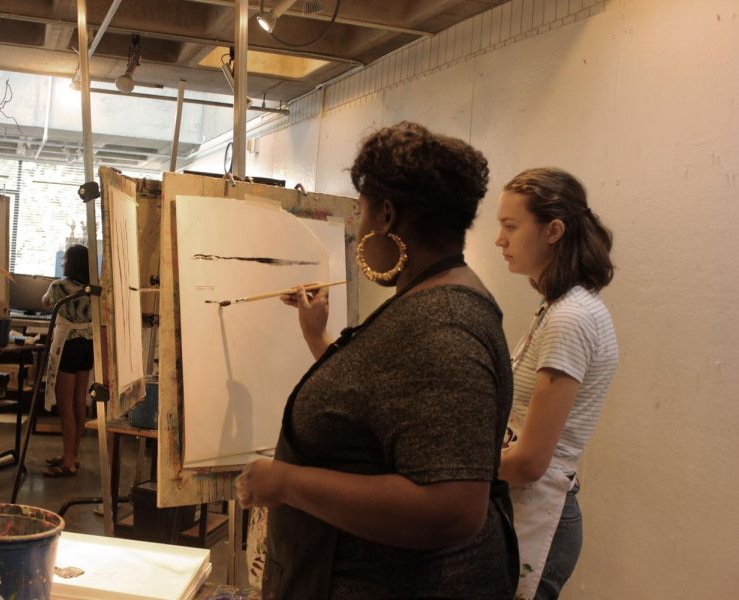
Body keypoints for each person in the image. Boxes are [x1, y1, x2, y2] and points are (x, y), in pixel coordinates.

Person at [235, 122, 519, 599]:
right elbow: (380, 400)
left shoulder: (444, 323)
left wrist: (285, 482)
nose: (362, 224)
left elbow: (451, 507)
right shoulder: (432, 300)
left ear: (386, 214)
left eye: (363, 210)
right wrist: (316, 333)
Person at [494, 168, 618, 599]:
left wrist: (452, 470)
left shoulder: (571, 318)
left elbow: (530, 462)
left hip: (539, 513)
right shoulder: (556, 308)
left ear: (554, 231)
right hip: (521, 504)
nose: (499, 240)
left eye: (510, 226)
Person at [41, 244, 93, 477]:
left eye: (65, 259)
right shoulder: (93, 289)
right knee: (80, 401)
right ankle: (73, 454)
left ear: (71, 263)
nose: (62, 262)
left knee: (65, 404)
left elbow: (45, 302)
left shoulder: (59, 286)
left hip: (68, 345)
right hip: (88, 344)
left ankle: (68, 461)